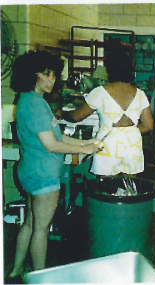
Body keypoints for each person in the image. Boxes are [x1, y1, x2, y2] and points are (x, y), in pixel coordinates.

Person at [7, 50, 102, 280]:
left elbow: (57, 136)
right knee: (41, 228)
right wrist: (83, 150)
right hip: (43, 175)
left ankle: (17, 269)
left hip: (29, 171)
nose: (53, 79)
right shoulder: (36, 105)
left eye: (53, 75)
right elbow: (51, 144)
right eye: (47, 74)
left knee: (30, 223)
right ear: (34, 74)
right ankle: (40, 277)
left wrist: (86, 142)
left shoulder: (28, 100)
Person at [59, 50, 153, 176]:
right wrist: (127, 131)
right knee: (129, 188)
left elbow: (76, 116)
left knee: (106, 190)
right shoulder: (140, 94)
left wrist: (61, 113)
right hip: (132, 145)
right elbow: (148, 126)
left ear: (109, 70)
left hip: (108, 144)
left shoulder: (100, 92)